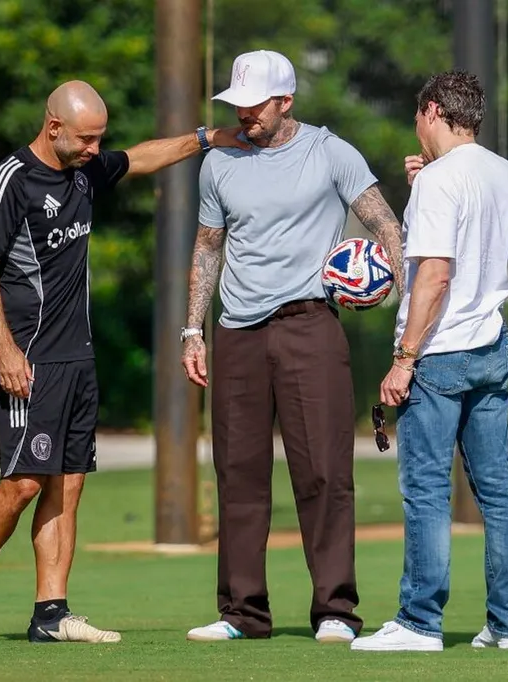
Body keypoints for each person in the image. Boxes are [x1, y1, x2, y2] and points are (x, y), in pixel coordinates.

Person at [0, 80, 248, 645]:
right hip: (27, 359)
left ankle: (51, 613)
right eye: (86, 139)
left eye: (99, 140)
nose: (95, 149)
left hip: (77, 360)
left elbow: (140, 158)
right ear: (53, 125)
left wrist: (208, 138)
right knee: (22, 485)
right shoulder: (11, 180)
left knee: (67, 484)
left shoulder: (84, 168)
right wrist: (5, 349)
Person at [180, 49, 406, 644]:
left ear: (286, 102)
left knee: (325, 473)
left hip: (311, 326)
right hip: (237, 333)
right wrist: (192, 330)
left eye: (254, 106)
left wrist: (405, 308)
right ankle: (242, 614)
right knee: (239, 474)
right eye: (237, 105)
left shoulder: (332, 152)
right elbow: (207, 248)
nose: (244, 115)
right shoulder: (220, 162)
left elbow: (385, 224)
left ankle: (336, 610)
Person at [350, 69, 508, 652]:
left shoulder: (439, 182)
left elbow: (434, 272)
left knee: (426, 490)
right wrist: (424, 184)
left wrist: (404, 359)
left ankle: (419, 622)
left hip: (438, 351)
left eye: (415, 117)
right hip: (490, 345)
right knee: (499, 492)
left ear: (431, 111)